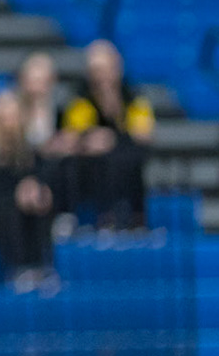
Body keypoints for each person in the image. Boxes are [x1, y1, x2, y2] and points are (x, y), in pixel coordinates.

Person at [58, 40, 154, 230]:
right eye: (96, 71)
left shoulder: (133, 97)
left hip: (127, 166)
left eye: (106, 69)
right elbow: (71, 136)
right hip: (91, 167)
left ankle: (135, 220)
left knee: (128, 158)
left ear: (117, 68)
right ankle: (96, 220)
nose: (101, 77)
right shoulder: (80, 100)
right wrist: (86, 141)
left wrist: (114, 131)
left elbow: (144, 134)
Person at [0, 89, 58, 290]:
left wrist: (37, 190)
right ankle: (19, 268)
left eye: (13, 118)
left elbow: (42, 178)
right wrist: (16, 194)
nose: (9, 125)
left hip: (28, 210)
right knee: (11, 208)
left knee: (39, 200)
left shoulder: (32, 154)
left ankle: (42, 266)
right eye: (3, 119)